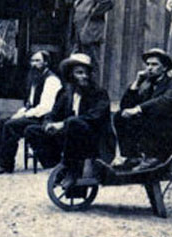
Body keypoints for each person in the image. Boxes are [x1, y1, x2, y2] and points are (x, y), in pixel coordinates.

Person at [24, 52, 115, 185]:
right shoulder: (65, 94)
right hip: (70, 138)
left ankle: (71, 170)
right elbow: (52, 114)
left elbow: (94, 117)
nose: (84, 77)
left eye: (86, 73)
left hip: (94, 140)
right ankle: (57, 166)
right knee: (31, 130)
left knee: (74, 122)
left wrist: (62, 124)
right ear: (70, 75)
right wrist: (48, 124)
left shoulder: (99, 93)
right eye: (79, 73)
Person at [0, 50, 62, 174]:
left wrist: (24, 115)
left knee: (10, 125)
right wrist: (19, 114)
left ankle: (6, 165)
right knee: (0, 123)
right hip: (34, 114)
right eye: (32, 61)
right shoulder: (35, 79)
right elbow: (30, 104)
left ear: (46, 63)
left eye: (38, 61)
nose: (33, 64)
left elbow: (46, 107)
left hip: (44, 118)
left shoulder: (51, 80)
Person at [113, 48, 172, 170]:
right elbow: (126, 107)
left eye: (154, 64)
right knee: (120, 116)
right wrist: (137, 83)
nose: (149, 68)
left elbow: (164, 102)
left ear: (164, 68)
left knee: (152, 113)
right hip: (157, 141)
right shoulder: (148, 87)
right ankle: (132, 157)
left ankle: (154, 158)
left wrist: (138, 109)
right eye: (147, 64)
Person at [71, 0, 114, 79]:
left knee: (92, 64)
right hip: (82, 36)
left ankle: (94, 91)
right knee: (78, 62)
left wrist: (94, 14)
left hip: (90, 35)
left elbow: (108, 1)